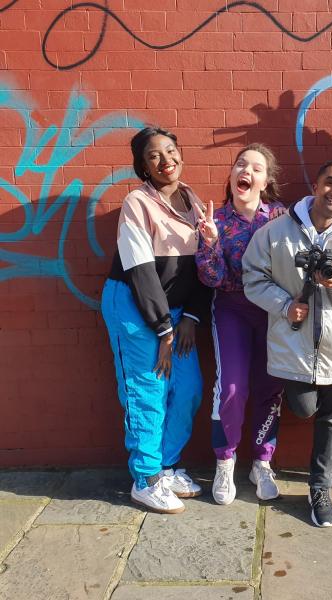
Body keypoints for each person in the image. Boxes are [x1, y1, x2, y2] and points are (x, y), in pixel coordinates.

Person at [242, 160, 332, 526]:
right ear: (316, 186)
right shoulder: (275, 232)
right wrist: (285, 306)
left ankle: (320, 488)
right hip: (293, 343)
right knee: (303, 408)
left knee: (330, 418)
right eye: (330, 182)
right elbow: (252, 276)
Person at [101, 126, 210, 514]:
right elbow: (141, 272)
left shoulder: (193, 202)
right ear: (142, 167)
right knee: (147, 390)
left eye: (170, 150)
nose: (166, 160)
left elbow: (204, 268)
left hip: (178, 314)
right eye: (154, 156)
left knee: (189, 388)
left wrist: (191, 318)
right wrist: (162, 328)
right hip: (134, 307)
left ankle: (166, 466)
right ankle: (145, 479)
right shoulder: (137, 202)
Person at [194, 144, 285, 505]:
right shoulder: (215, 221)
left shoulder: (281, 217)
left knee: (270, 387)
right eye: (240, 164)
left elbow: (323, 224)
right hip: (232, 308)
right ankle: (225, 460)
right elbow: (212, 278)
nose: (246, 170)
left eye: (256, 167)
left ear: (265, 181)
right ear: (232, 176)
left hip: (273, 311)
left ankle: (262, 462)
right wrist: (210, 242)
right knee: (232, 387)